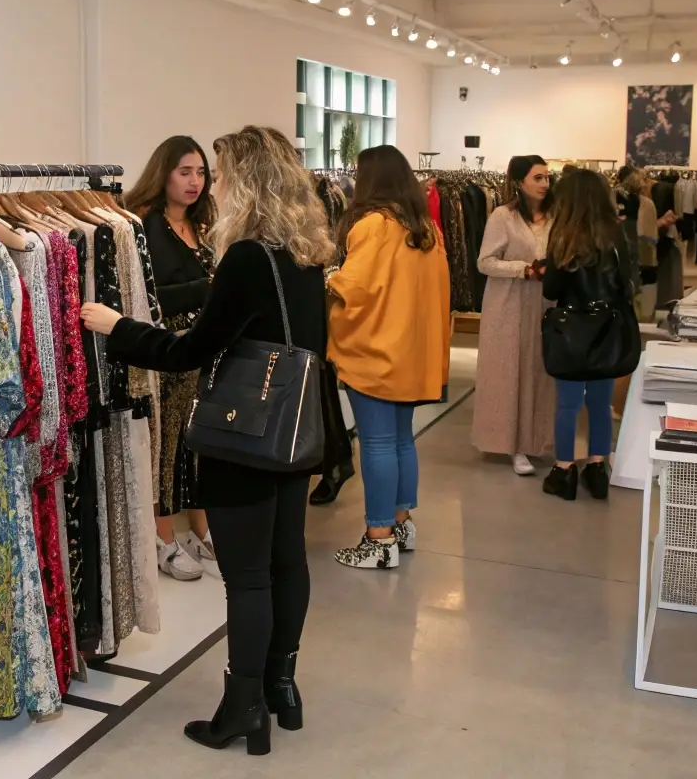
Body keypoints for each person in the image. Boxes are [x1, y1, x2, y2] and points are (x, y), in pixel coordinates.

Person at [82, 125, 333, 757]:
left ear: (246, 181)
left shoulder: (248, 256)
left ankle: (240, 707)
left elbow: (191, 351)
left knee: (248, 578)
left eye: (220, 174)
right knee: (287, 562)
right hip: (294, 433)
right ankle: (282, 686)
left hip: (244, 436)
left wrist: (120, 328)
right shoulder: (306, 251)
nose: (212, 185)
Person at [326, 146, 451, 570]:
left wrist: (327, 281)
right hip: (413, 352)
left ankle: (377, 538)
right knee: (401, 440)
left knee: (377, 443)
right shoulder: (425, 229)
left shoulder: (373, 225)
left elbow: (354, 288)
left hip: (377, 351)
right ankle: (401, 523)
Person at [123, 136, 217, 581]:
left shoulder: (204, 222)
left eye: (200, 172)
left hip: (203, 352)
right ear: (164, 173)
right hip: (165, 354)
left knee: (200, 445)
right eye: (185, 171)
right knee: (165, 447)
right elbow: (144, 295)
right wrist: (204, 289)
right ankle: (163, 538)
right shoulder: (143, 225)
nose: (194, 181)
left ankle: (201, 528)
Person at [541, 168, 637, 501]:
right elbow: (627, 283)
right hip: (607, 330)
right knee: (600, 404)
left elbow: (551, 289)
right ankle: (598, 467)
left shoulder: (562, 236)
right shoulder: (616, 234)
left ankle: (564, 470)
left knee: (567, 406)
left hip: (570, 330)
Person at [471, 155, 556, 475]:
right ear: (519, 181)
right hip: (508, 304)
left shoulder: (554, 217)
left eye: (547, 177)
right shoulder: (502, 216)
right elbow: (485, 262)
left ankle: (535, 441)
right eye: (538, 177)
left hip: (544, 304)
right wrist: (523, 269)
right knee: (510, 372)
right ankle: (512, 445)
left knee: (538, 371)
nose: (545, 183)